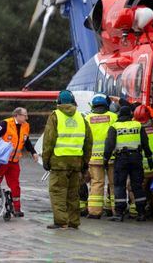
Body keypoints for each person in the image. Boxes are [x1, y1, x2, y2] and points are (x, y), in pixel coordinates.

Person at [42, 90, 93, 229]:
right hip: (76, 163)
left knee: (58, 193)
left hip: (59, 162)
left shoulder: (55, 116)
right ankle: (73, 221)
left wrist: (46, 160)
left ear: (59, 102)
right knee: (73, 194)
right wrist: (85, 162)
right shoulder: (81, 117)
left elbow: (49, 140)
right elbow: (88, 141)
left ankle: (61, 222)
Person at [104, 106, 153, 222]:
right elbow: (145, 143)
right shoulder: (138, 125)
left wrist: (105, 160)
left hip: (121, 159)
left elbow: (109, 145)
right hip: (136, 158)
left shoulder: (115, 127)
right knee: (137, 185)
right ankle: (141, 213)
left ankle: (119, 214)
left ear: (119, 115)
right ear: (131, 115)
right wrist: (149, 157)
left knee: (119, 185)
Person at [0, 107, 38, 217]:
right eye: (24, 115)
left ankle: (17, 208)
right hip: (1, 160)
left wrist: (33, 152)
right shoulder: (5, 124)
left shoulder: (26, 126)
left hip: (14, 161)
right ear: (17, 115)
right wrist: (2, 149)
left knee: (15, 185)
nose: (27, 117)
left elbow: (26, 141)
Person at [129, 104, 153, 219]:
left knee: (136, 188)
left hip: (141, 169)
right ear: (150, 118)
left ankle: (134, 210)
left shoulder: (133, 133)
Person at [85, 93, 118, 219]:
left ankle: (94, 212)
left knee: (96, 183)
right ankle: (116, 211)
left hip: (94, 158)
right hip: (112, 157)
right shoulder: (114, 117)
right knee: (114, 184)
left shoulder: (87, 119)